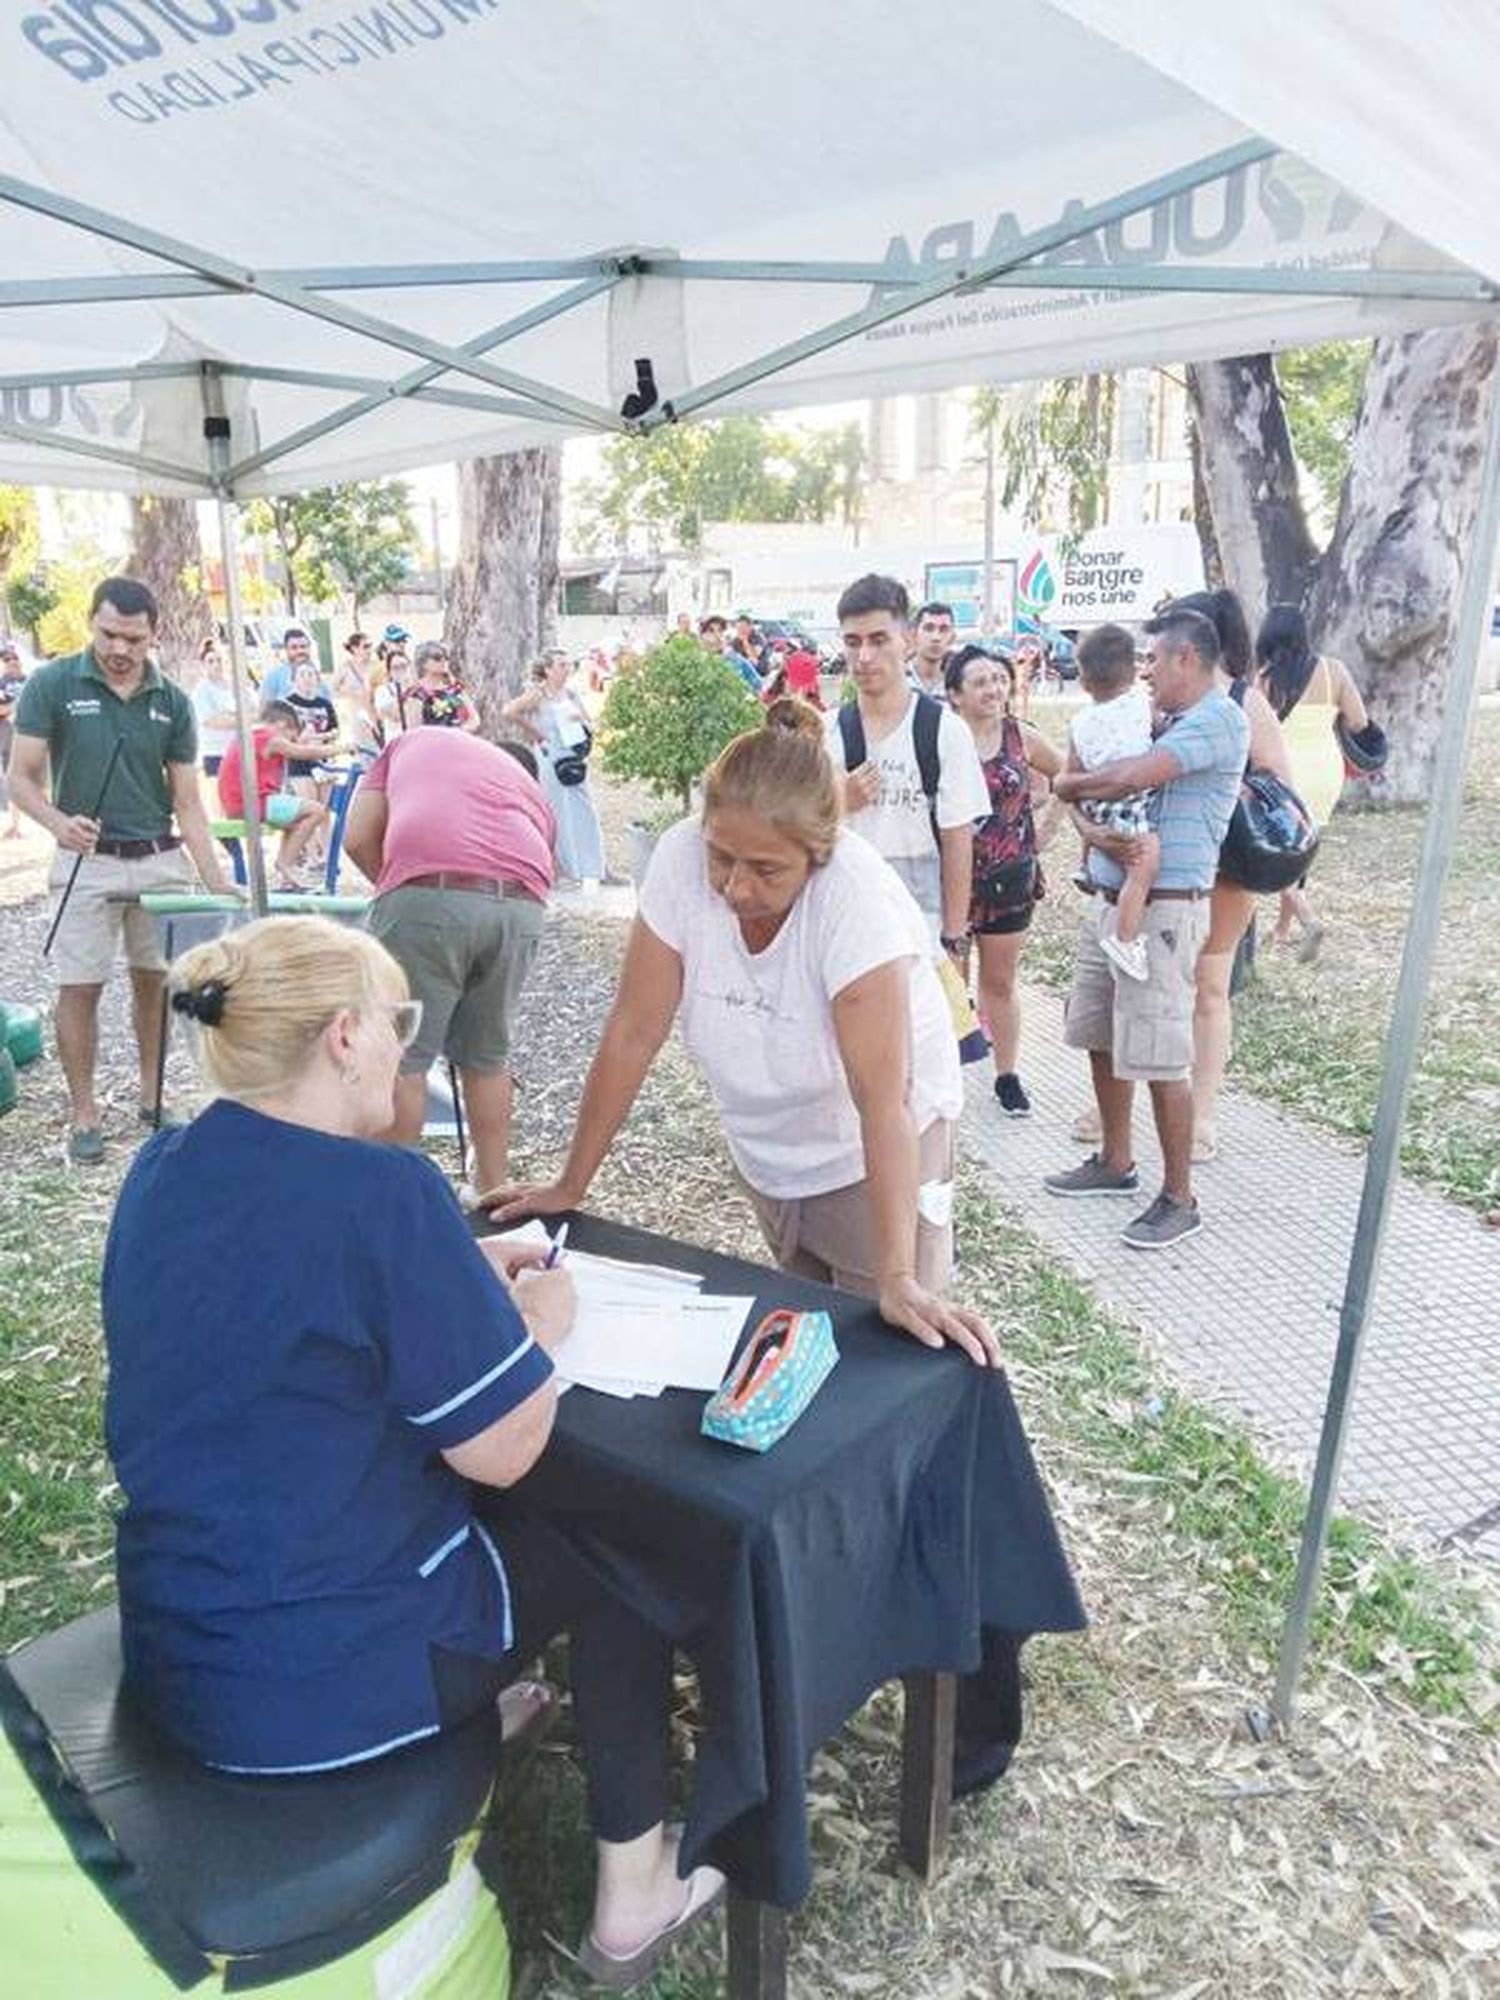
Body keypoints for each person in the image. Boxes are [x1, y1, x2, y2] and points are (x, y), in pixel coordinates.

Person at [104, 916, 722, 1984]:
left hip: (182, 1649)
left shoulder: (164, 1168)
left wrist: (454, 1264)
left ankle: (490, 1698)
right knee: (624, 1535)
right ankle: (635, 1889)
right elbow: (509, 1447)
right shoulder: (382, 1194)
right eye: (397, 1024)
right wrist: (540, 1322)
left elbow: (282, 1317)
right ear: (344, 1036)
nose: (405, 1049)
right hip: (324, 1684)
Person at [494, 700, 999, 1363]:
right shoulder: (679, 857)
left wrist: (899, 1276)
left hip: (867, 1153)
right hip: (771, 1150)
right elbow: (633, 1031)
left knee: (886, 1357)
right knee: (803, 1344)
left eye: (765, 870)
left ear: (817, 856)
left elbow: (884, 1102)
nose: (733, 888)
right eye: (722, 857)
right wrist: (571, 1183)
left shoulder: (855, 899)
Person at [7, 577, 234, 1164]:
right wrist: (59, 825)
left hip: (159, 859)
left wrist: (216, 880)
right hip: (86, 861)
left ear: (153, 634)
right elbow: (21, 777)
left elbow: (188, 801)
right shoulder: (53, 683)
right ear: (91, 623)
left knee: (157, 986)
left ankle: (152, 1098)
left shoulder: (173, 701)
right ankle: (84, 1113)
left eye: (134, 638)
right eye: (109, 634)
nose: (120, 649)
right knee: (78, 987)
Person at [1046, 607, 1249, 1251]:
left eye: (1155, 660)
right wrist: (1088, 823)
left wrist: (1065, 782)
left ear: (1187, 658)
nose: (1146, 672)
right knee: (1102, 1034)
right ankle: (1115, 1161)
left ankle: (1180, 1196)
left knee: (1162, 1054)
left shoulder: (1217, 720)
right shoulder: (1154, 716)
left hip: (1164, 910)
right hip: (1110, 896)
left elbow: (1132, 777)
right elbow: (1098, 805)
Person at [343, 727, 555, 1196]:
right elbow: (544, 858)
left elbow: (357, 838)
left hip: (431, 889)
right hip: (524, 905)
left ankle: (388, 1195)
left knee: (402, 1055)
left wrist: (401, 891)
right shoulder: (520, 782)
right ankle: (493, 1190)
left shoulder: (403, 744)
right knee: (487, 1057)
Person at [1171, 587, 1295, 1161]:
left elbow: (1278, 779)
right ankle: (1117, 1100)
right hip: (1163, 864)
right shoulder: (1161, 695)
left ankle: (1202, 1117)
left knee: (1210, 985)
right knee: (1152, 982)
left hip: (1226, 865)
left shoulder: (1245, 702)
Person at [827, 573, 990, 956]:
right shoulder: (825, 732)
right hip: (841, 932)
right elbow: (799, 832)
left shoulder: (944, 732)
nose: (864, 657)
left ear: (908, 641)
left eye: (879, 640)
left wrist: (952, 938)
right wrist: (839, 801)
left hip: (920, 937)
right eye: (853, 642)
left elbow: (957, 841)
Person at [945, 645, 1063, 1117]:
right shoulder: (940, 739)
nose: (994, 689)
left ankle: (1007, 1074)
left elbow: (1069, 777)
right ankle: (947, 1074)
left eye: (999, 678)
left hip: (1009, 880)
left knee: (1000, 982)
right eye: (980, 682)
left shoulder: (1021, 737)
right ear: (955, 695)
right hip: (951, 879)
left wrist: (1047, 827)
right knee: (950, 981)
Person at [1255, 603, 1368, 960]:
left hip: (1284, 771)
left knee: (1283, 847)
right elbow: (1359, 721)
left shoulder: (1266, 678)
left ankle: (1305, 917)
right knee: (1300, 847)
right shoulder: (1334, 670)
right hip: (1324, 769)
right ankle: (1283, 928)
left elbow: (1256, 727)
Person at [1068, 626, 1160, 983]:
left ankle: (1083, 865)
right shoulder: (1141, 704)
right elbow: (1157, 730)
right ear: (1133, 670)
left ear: (1085, 681)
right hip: (1129, 804)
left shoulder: (1079, 721)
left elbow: (1069, 779)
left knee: (1094, 828)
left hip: (1094, 803)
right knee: (1143, 866)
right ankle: (1126, 938)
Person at [501, 652, 607, 884]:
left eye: (568, 665)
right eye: (561, 665)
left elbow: (589, 721)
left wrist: (581, 721)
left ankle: (592, 866)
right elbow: (509, 711)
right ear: (548, 670)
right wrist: (535, 733)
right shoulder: (538, 694)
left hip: (572, 753)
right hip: (550, 754)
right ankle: (561, 868)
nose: (567, 669)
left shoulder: (570, 694)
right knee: (556, 809)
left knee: (583, 808)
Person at [216, 696, 329, 890]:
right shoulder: (268, 737)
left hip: (239, 802)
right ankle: (285, 863)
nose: (288, 743)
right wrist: (340, 749)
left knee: (295, 820)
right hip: (252, 803)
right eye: (290, 736)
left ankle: (287, 873)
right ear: (282, 725)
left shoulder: (250, 735)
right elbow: (301, 752)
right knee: (317, 811)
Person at [191, 636, 238, 781]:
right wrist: (239, 718)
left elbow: (255, 712)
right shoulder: (202, 691)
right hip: (215, 753)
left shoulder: (236, 686)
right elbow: (212, 721)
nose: (216, 664)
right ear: (203, 664)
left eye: (219, 660)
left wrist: (229, 716)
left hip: (238, 751)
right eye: (211, 661)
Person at [410, 640, 482, 731]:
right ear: (423, 663)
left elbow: (475, 719)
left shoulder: (455, 688)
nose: (443, 661)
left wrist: (460, 730)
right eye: (437, 657)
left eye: (446, 657)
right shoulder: (417, 693)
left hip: (457, 739)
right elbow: (415, 729)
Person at [334, 629, 382, 764]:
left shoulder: (376, 666)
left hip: (375, 713)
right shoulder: (345, 667)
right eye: (365, 646)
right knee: (362, 753)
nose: (369, 650)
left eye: (370, 646)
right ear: (354, 648)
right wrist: (350, 693)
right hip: (356, 715)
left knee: (378, 749)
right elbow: (334, 689)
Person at [0, 639, 29, 838]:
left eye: (14, 658)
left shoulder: (32, 681)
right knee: (12, 779)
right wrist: (18, 704)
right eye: (7, 659)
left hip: (31, 737)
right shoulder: (1, 683)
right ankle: (15, 825)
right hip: (8, 737)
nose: (12, 662)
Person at [700, 613, 762, 694]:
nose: (717, 635)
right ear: (703, 636)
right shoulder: (699, 660)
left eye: (720, 630)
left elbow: (757, 684)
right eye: (711, 630)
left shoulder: (735, 660)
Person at [259, 624, 319, 704]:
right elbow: (265, 711)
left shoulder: (317, 678)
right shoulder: (273, 678)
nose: (299, 651)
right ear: (286, 650)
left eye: (303, 646)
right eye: (294, 647)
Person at [911, 601, 956, 695]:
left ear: (952, 638)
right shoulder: (896, 679)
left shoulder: (956, 686)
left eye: (943, 630)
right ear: (914, 635)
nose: (936, 637)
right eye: (929, 628)